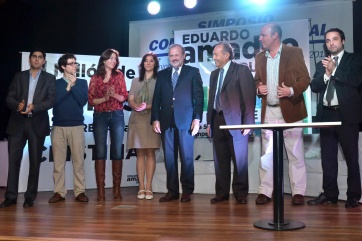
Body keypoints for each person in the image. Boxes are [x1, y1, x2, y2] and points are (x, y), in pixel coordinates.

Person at [254, 22, 310, 205]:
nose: (260, 38)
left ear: (275, 35)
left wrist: (291, 91)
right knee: (266, 153)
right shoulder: (259, 57)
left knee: (295, 153)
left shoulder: (293, 53)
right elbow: (256, 81)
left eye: (263, 35)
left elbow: (305, 79)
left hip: (291, 111)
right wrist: (258, 89)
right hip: (268, 111)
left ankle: (298, 192)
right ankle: (265, 191)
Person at [308, 28, 362, 208]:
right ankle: (330, 194)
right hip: (326, 115)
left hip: (346, 115)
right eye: (328, 40)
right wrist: (326, 74)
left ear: (343, 41)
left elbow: (355, 80)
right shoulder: (320, 64)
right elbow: (314, 87)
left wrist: (335, 69)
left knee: (351, 158)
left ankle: (353, 195)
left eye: (335, 39)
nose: (331, 43)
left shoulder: (355, 59)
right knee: (328, 158)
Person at [0, 48, 56, 208]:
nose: (37, 59)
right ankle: (10, 196)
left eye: (40, 57)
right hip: (17, 123)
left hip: (37, 123)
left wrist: (35, 107)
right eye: (34, 57)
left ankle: (30, 196)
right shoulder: (19, 76)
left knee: (34, 161)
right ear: (30, 60)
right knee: (13, 161)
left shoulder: (49, 79)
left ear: (44, 61)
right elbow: (9, 98)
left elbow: (51, 100)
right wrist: (18, 105)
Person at [151, 44, 204, 203]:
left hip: (186, 121)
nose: (174, 58)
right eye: (171, 55)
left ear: (184, 56)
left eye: (177, 55)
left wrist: (197, 118)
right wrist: (155, 118)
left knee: (187, 157)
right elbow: (156, 98)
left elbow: (199, 97)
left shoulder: (192, 72)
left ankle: (187, 190)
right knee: (169, 158)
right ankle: (172, 191)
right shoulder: (162, 74)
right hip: (166, 121)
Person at [206, 42, 256, 204]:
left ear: (226, 55)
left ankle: (240, 194)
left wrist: (248, 122)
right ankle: (221, 193)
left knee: (239, 160)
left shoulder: (241, 70)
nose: (214, 58)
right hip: (217, 120)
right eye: (213, 55)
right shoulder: (214, 74)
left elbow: (249, 98)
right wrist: (208, 123)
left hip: (237, 121)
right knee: (220, 160)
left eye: (216, 54)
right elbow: (211, 100)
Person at [48, 53, 89, 204]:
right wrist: (68, 87)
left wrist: (74, 85)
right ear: (63, 67)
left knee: (78, 162)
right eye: (71, 63)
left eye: (75, 63)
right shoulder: (55, 83)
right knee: (58, 163)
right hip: (58, 126)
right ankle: (59, 192)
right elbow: (54, 101)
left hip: (77, 126)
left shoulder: (83, 82)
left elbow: (83, 101)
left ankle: (80, 192)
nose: (75, 66)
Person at [88, 49, 128, 201]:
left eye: (115, 58)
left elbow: (124, 96)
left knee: (117, 150)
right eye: (110, 58)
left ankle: (116, 190)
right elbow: (91, 100)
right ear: (103, 60)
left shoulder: (119, 75)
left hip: (117, 114)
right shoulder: (96, 77)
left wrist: (113, 95)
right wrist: (105, 98)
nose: (113, 60)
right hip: (100, 116)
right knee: (100, 151)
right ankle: (101, 191)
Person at [127, 52, 161, 200]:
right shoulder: (135, 81)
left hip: (152, 119)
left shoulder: (160, 81)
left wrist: (147, 107)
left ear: (155, 64)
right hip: (137, 119)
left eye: (151, 61)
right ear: (142, 64)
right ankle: (141, 187)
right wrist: (135, 106)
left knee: (150, 153)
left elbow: (161, 102)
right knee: (139, 153)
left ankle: (149, 187)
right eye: (146, 61)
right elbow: (131, 99)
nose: (148, 63)